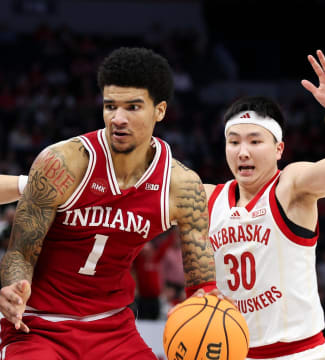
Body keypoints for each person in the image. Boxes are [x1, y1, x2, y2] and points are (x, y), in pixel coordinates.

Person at [0, 47, 219, 360]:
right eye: (110, 106)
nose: (118, 118)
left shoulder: (182, 187)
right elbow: (19, 252)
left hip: (114, 330)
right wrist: (12, 286)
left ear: (160, 110)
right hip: (38, 325)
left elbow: (202, 284)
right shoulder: (63, 163)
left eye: (132, 107)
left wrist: (206, 307)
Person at [205, 50, 325, 359]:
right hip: (237, 353)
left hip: (301, 354)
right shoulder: (208, 197)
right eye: (233, 142)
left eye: (254, 141)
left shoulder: (289, 186)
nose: (243, 152)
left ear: (279, 149)